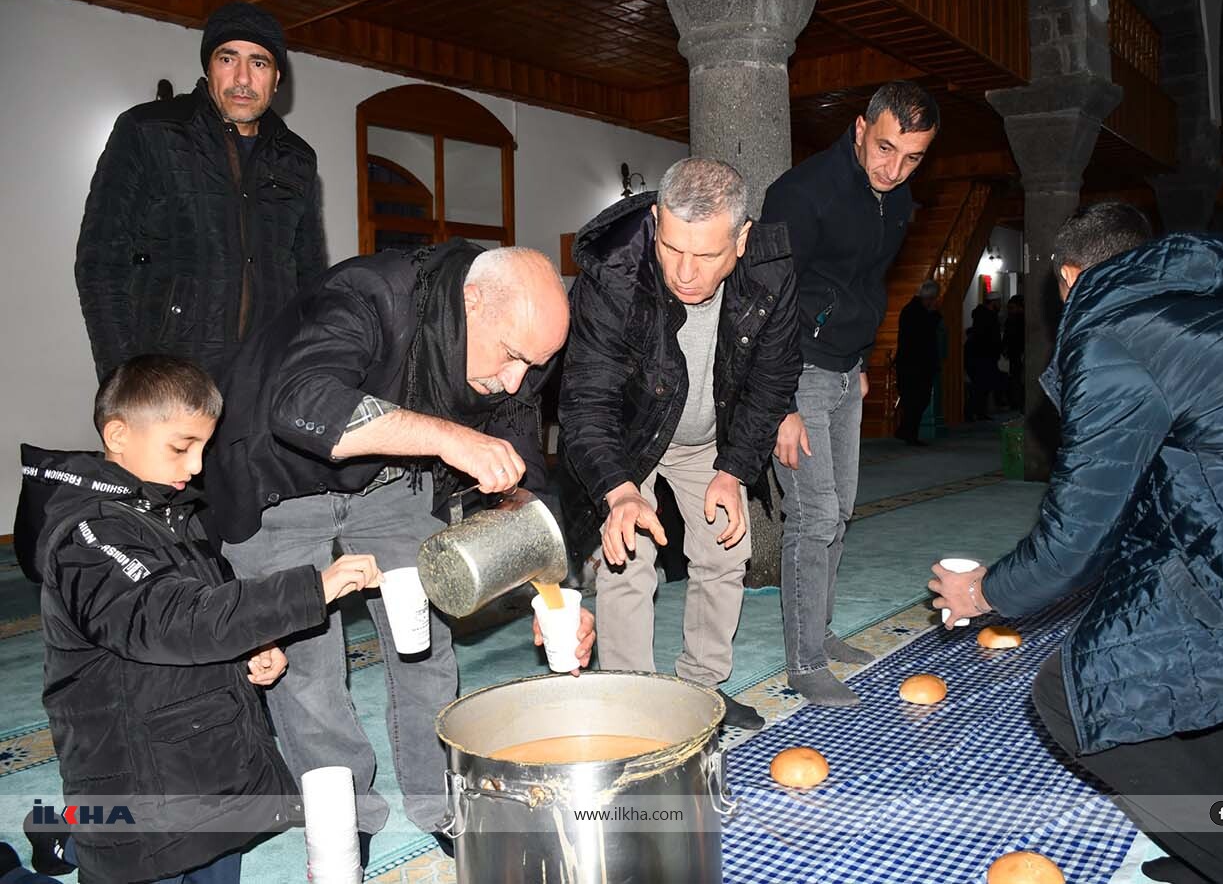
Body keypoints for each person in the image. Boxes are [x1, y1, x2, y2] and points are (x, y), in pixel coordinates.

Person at [930, 202, 1223, 884]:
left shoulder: (1115, 338)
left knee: (1079, 693)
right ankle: (1222, 854)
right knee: (1173, 676)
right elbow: (1182, 479)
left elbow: (1079, 529)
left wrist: (985, 590)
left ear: (1070, 277)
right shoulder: (1200, 314)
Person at [204, 239, 595, 858]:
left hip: (389, 476)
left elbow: (524, 482)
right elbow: (300, 404)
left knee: (426, 636)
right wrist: (449, 438)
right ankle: (343, 811)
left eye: (535, 365)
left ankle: (440, 798)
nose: (516, 382)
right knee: (306, 663)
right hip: (273, 474)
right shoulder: (369, 295)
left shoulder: (522, 346)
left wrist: (558, 593)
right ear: (472, 300)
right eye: (514, 357)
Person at [13, 355, 383, 884]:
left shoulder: (175, 516)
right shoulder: (89, 538)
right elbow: (170, 620)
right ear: (118, 434)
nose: (195, 466)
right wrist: (312, 587)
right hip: (134, 774)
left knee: (214, 845)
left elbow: (212, 609)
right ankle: (50, 842)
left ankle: (62, 830)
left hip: (207, 763)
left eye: (204, 449)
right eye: (182, 447)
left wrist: (251, 648)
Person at [558, 158, 801, 730]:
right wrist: (619, 493)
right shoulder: (613, 273)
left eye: (706, 255)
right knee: (629, 557)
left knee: (725, 552)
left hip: (708, 438)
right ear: (656, 220)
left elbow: (772, 381)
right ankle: (631, 701)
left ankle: (701, 689)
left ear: (741, 239)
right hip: (628, 437)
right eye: (671, 248)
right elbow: (585, 401)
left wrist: (736, 470)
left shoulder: (773, 268)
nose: (685, 273)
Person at [761, 80, 939, 706]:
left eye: (912, 157)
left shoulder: (896, 198)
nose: (895, 169)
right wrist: (779, 402)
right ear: (860, 128)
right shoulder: (801, 194)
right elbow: (769, 300)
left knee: (840, 512)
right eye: (885, 148)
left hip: (844, 372)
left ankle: (823, 632)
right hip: (798, 372)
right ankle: (805, 664)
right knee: (812, 516)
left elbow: (866, 281)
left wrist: (861, 360)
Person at [74, 1, 324, 381]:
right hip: (168, 376)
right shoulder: (147, 130)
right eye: (228, 59)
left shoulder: (298, 159)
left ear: (276, 79)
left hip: (265, 380)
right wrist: (123, 381)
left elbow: (310, 278)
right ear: (209, 67)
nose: (242, 78)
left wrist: (305, 366)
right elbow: (100, 263)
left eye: (259, 63)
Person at [894, 279, 942, 446]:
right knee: (917, 400)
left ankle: (905, 431)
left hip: (910, 364)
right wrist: (935, 315)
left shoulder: (911, 310)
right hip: (916, 365)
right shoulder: (917, 312)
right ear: (929, 298)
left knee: (914, 400)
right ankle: (909, 433)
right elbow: (924, 336)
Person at [965, 290, 1005, 420]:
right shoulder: (988, 317)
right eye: (998, 302)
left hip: (981, 356)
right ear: (993, 303)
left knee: (982, 385)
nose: (1000, 305)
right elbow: (987, 337)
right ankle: (974, 412)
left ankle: (977, 412)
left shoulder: (981, 316)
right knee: (981, 385)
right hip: (983, 356)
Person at [1003, 293, 1025, 411]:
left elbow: (1009, 336)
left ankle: (1016, 402)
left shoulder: (1013, 320)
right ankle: (1018, 402)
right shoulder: (1020, 319)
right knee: (1017, 379)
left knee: (1016, 378)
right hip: (1017, 353)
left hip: (1015, 353)